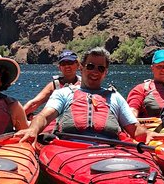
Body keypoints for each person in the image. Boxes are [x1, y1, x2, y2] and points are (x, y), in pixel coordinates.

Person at [18, 47, 149, 143]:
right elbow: (44, 117)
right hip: (70, 148)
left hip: (110, 149)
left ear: (106, 72)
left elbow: (135, 130)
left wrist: (149, 135)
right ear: (82, 68)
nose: (95, 71)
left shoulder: (115, 97)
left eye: (101, 68)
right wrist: (33, 129)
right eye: (90, 66)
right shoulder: (63, 93)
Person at [23, 50, 81, 117]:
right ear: (60, 67)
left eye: (70, 62)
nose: (67, 66)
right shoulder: (55, 85)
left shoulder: (84, 83)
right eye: (63, 64)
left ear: (77, 65)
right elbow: (35, 103)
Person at [126, 49, 164, 118]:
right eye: (159, 66)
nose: (163, 69)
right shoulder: (141, 89)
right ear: (152, 68)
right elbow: (132, 111)